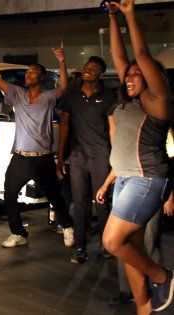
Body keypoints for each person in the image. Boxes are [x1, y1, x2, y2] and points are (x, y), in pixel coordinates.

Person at [96, 1, 173, 313]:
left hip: (146, 180)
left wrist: (129, 13)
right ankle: (145, 308)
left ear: (154, 77)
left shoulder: (158, 102)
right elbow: (121, 58)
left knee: (112, 242)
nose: (128, 77)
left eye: (136, 75)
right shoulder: (127, 103)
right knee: (132, 247)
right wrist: (113, 17)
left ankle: (163, 276)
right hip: (126, 179)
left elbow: (140, 56)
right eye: (127, 75)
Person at [0, 34, 75, 248]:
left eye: (33, 72)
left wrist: (62, 61)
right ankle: (18, 233)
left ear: (41, 78)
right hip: (20, 157)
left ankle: (67, 226)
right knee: (9, 193)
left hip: (42, 158)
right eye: (28, 71)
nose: (29, 75)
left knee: (53, 196)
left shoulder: (48, 97)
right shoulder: (17, 93)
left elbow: (64, 88)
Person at [57, 56, 116, 264]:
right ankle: (80, 247)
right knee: (80, 203)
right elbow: (64, 126)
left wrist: (115, 160)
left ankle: (105, 244)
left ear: (101, 73)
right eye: (86, 67)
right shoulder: (71, 95)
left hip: (101, 155)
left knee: (102, 202)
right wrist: (60, 156)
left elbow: (113, 130)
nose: (87, 70)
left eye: (93, 68)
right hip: (77, 156)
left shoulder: (109, 96)